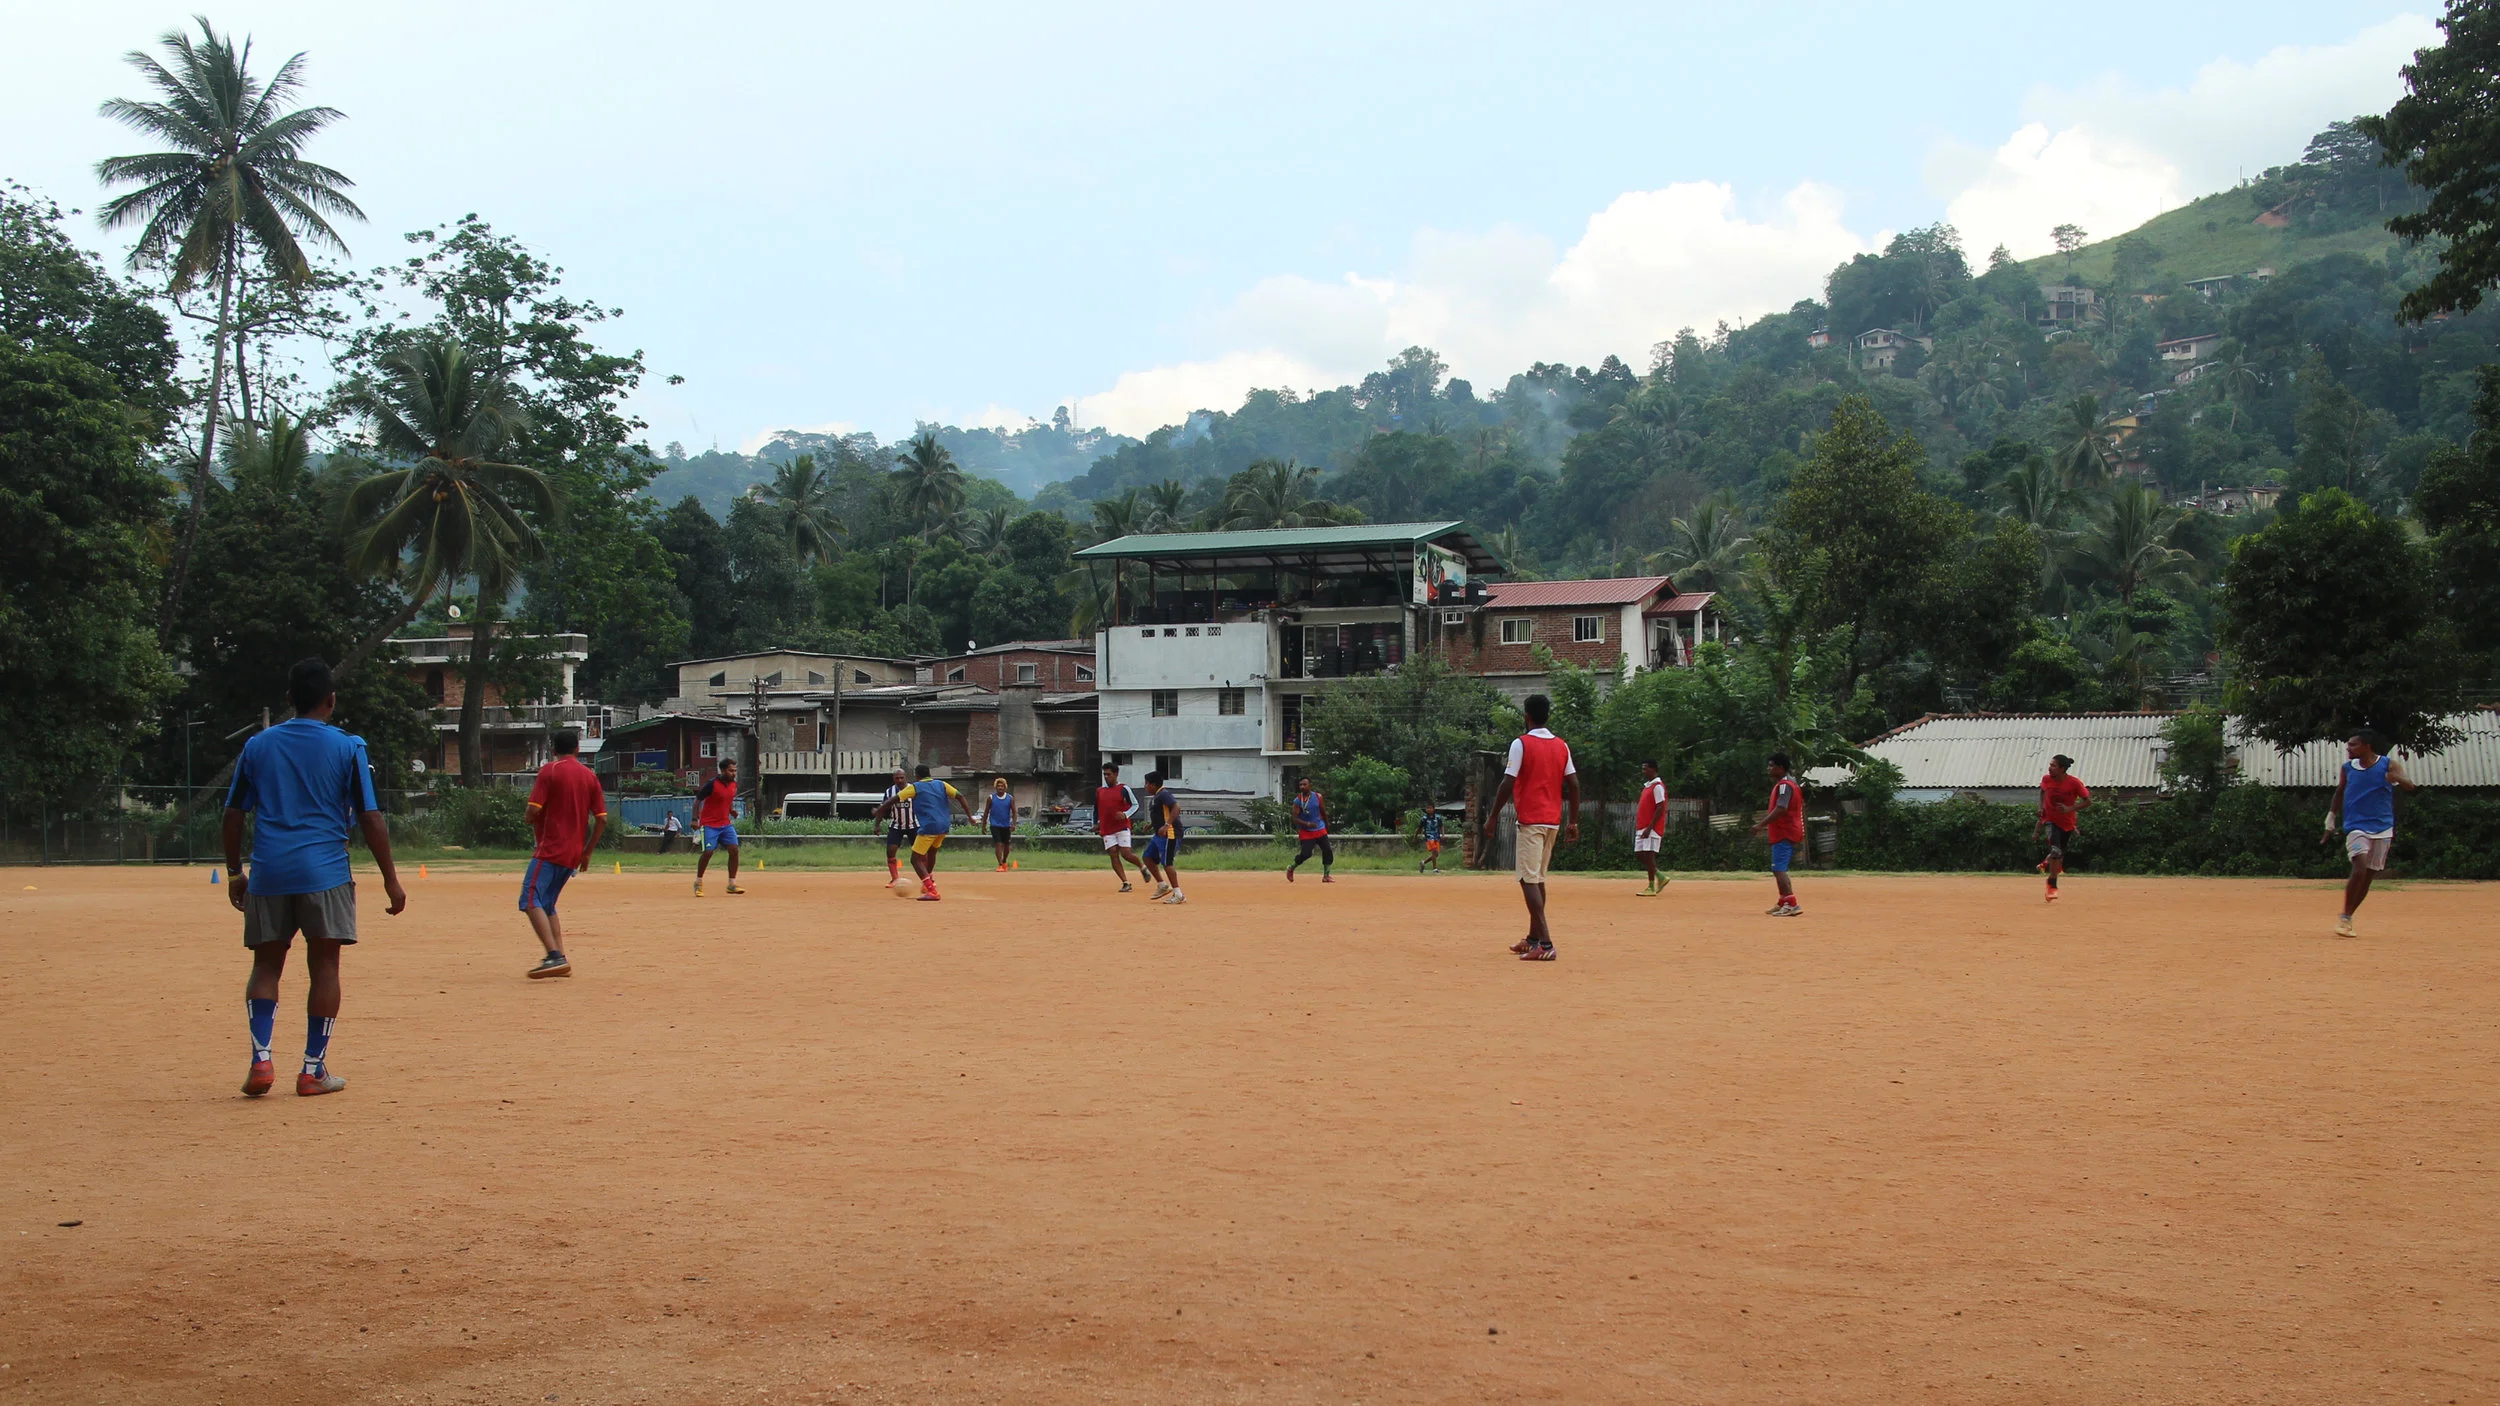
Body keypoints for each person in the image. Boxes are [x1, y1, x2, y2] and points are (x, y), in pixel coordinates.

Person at [223, 657, 407, 1098]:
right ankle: (312, 1070)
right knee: (324, 967)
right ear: (331, 700)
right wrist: (390, 880)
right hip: (325, 872)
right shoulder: (349, 747)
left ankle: (261, 1059)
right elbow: (370, 817)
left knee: (266, 965)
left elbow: (233, 814)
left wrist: (234, 872)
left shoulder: (258, 747)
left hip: (268, 873)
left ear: (288, 700)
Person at [1488, 693, 1578, 960]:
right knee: (1537, 879)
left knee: (1527, 880)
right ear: (1547, 716)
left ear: (1526, 716)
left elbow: (1507, 783)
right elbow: (1573, 784)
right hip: (1553, 821)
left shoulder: (1521, 744)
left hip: (1531, 821)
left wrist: (1492, 816)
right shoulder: (1562, 746)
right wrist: (1573, 821)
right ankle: (1533, 937)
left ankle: (1546, 944)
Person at [520, 730, 607, 979]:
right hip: (573, 853)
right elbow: (601, 819)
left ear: (553, 750)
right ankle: (560, 956)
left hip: (550, 849)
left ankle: (553, 956)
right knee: (547, 904)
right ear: (578, 749)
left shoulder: (550, 771)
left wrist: (528, 817)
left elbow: (532, 809)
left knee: (529, 899)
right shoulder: (589, 776)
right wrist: (587, 852)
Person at [2324, 732, 2417, 938]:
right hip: (2356, 825)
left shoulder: (2387, 764)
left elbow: (2410, 784)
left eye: (2353, 745)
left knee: (2367, 877)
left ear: (2366, 746)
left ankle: (2347, 917)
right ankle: (2345, 917)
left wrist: (2397, 778)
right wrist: (2331, 817)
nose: (2348, 749)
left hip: (2382, 827)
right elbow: (2339, 792)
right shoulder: (2348, 769)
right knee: (2359, 868)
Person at [877, 763, 975, 901]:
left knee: (915, 859)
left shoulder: (915, 787)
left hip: (929, 826)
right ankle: (929, 882)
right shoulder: (942, 784)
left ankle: (932, 890)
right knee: (931, 853)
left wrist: (879, 809)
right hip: (944, 826)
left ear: (917, 775)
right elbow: (960, 796)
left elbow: (894, 799)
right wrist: (970, 816)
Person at [2035, 754, 2091, 904]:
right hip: (2050, 820)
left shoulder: (2074, 783)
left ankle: (2051, 875)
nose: (2050, 768)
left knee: (2059, 855)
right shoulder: (2047, 779)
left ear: (2062, 769)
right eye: (2050, 764)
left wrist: (2069, 808)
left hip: (2067, 822)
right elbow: (2042, 791)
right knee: (2055, 851)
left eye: (2053, 765)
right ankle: (2052, 885)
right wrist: (2041, 808)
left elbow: (2087, 801)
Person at [1754, 753, 1805, 917]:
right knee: (1778, 868)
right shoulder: (1790, 784)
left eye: (1771, 766)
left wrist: (1761, 824)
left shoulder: (1785, 785)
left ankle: (1791, 903)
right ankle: (1784, 900)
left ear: (1781, 768)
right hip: (1785, 831)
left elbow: (1781, 807)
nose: (1769, 769)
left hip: (1785, 831)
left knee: (1779, 868)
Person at [692, 757, 743, 896]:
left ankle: (731, 884)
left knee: (734, 850)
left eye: (735, 771)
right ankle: (698, 882)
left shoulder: (733, 784)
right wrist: (694, 819)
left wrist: (731, 810)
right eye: (731, 771)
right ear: (723, 770)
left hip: (725, 824)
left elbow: (728, 799)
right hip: (709, 824)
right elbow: (697, 800)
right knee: (708, 852)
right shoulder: (712, 784)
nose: (734, 773)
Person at [1139, 771, 1187, 903]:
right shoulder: (1157, 796)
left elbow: (1176, 807)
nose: (1145, 786)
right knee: (1147, 857)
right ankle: (1162, 885)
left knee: (1167, 862)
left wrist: (1166, 825)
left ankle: (1178, 894)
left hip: (1170, 833)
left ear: (1153, 785)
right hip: (1159, 834)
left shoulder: (1163, 794)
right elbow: (1161, 814)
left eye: (1147, 783)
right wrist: (1151, 824)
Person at [1096, 761, 1141, 892]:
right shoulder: (1100, 791)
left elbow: (1135, 805)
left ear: (1115, 774)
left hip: (1121, 826)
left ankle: (1142, 867)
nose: (1106, 777)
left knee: (1126, 853)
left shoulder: (1123, 788)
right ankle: (1126, 882)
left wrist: (1126, 814)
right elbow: (1097, 808)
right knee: (1113, 853)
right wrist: (1097, 823)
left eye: (1108, 774)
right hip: (1107, 828)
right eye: (1104, 774)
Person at [1284, 777, 1333, 883]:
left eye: (1304, 784)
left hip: (1319, 828)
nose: (1302, 786)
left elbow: (1323, 811)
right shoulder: (1297, 801)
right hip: (1306, 831)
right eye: (1300, 785)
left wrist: (1327, 824)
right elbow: (1295, 818)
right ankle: (1291, 868)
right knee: (1306, 854)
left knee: (1327, 850)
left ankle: (1326, 875)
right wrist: (1307, 824)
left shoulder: (1318, 797)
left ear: (1310, 785)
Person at [1632, 759, 1670, 896]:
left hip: (1651, 828)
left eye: (1645, 769)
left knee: (1649, 855)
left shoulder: (1658, 786)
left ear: (1653, 769)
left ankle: (1651, 886)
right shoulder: (1648, 786)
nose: (1643, 771)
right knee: (1639, 854)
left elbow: (1660, 807)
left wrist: (1650, 827)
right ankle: (1660, 876)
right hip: (1642, 826)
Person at [879, 766, 917, 888]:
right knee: (890, 851)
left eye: (901, 778)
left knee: (920, 853)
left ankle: (927, 879)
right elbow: (883, 808)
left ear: (905, 777)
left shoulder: (914, 789)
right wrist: (877, 824)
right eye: (897, 778)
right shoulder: (889, 792)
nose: (900, 780)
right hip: (896, 825)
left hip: (914, 825)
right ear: (893, 779)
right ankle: (895, 878)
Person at [984, 776, 1017, 870]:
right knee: (998, 843)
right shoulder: (991, 798)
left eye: (1002, 786)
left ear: (1005, 787)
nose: (1000, 788)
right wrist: (984, 825)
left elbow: (1014, 812)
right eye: (998, 786)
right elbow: (986, 812)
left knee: (1006, 845)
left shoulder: (1010, 798)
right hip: (995, 824)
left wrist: (1014, 824)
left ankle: (1004, 861)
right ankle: (1000, 864)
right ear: (996, 787)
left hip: (1006, 825)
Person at [1416, 805, 1445, 874]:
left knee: (1436, 854)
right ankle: (1435, 868)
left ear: (1433, 809)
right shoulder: (1424, 818)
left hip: (1436, 837)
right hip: (1429, 836)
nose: (1428, 809)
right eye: (1427, 808)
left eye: (1430, 808)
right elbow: (1419, 828)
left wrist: (1443, 834)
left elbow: (1441, 826)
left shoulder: (1438, 817)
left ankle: (1423, 862)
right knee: (1434, 851)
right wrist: (1415, 836)